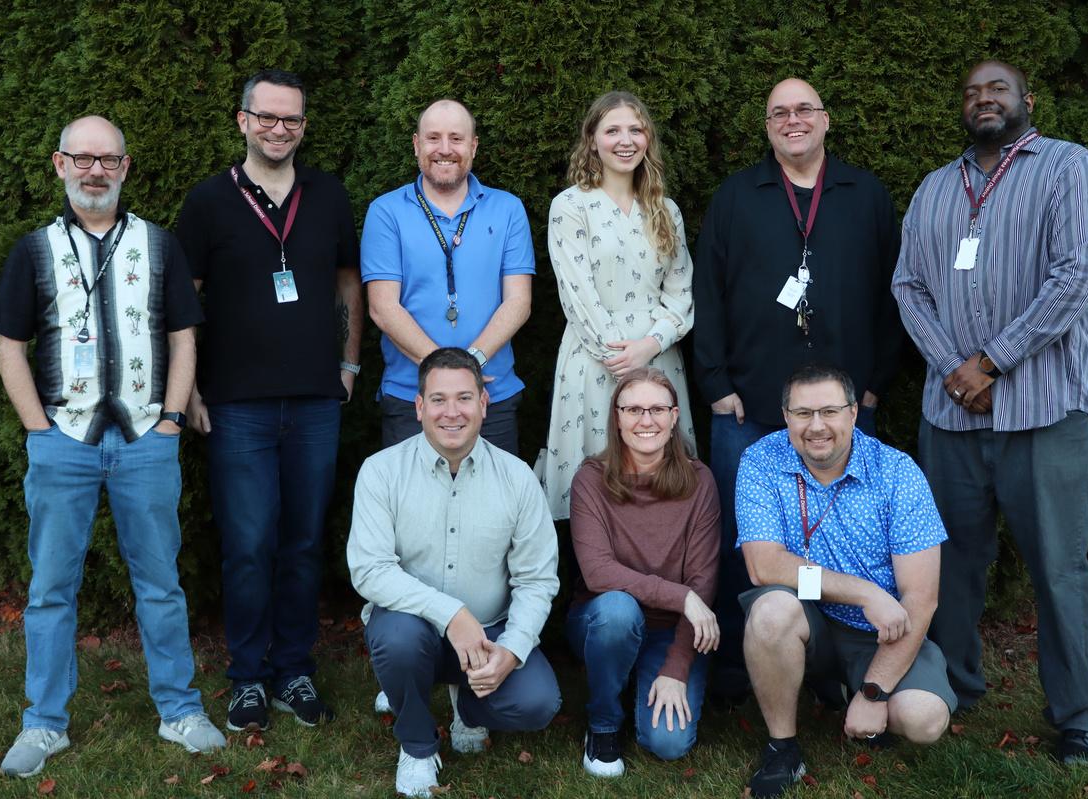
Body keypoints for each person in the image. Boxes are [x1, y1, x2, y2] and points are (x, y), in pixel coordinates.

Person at [892, 59, 1088, 766]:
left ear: (1027, 100)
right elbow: (907, 287)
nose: (982, 99)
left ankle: (1079, 714)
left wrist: (991, 361)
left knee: (1058, 568)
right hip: (952, 417)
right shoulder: (935, 188)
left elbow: (1081, 273)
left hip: (1044, 411)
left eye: (996, 89)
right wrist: (956, 372)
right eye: (971, 92)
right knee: (949, 565)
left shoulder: (1069, 168)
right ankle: (950, 687)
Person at [0, 115, 225, 777]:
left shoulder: (159, 245)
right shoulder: (34, 250)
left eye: (109, 160)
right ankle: (43, 722)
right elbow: (10, 348)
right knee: (50, 590)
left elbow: (183, 337)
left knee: (160, 585)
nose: (96, 171)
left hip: (145, 439)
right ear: (60, 164)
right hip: (62, 441)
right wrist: (38, 430)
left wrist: (171, 420)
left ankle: (179, 708)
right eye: (83, 158)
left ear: (125, 168)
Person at [693, 77, 905, 700]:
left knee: (842, 537)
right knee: (743, 542)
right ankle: (740, 664)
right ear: (767, 126)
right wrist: (715, 384)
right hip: (749, 406)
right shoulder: (737, 196)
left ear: (825, 119)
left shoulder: (866, 195)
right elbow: (707, 292)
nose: (793, 120)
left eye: (804, 109)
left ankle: (829, 666)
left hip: (842, 411)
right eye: (779, 112)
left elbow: (894, 294)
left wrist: (875, 385)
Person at [176, 69, 362, 731]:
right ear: (243, 121)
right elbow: (183, 301)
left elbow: (348, 282)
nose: (279, 129)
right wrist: (188, 387)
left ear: (303, 127)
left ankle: (293, 669)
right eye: (267, 117)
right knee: (249, 545)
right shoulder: (208, 201)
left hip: (315, 401)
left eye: (291, 119)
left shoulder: (328, 194)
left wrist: (348, 363)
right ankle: (248, 676)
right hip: (237, 405)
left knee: (304, 542)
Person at [348, 348, 561, 797]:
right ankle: (417, 745)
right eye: (439, 399)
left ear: (483, 403)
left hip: (489, 633)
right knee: (397, 640)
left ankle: (468, 703)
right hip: (412, 629)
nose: (452, 412)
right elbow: (370, 570)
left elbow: (536, 580)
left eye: (464, 398)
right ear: (419, 406)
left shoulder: (518, 478)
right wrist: (452, 614)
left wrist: (513, 650)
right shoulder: (381, 472)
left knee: (538, 702)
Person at [736, 364, 953, 798]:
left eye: (830, 411)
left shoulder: (897, 472)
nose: (816, 426)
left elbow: (921, 597)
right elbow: (764, 566)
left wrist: (874, 693)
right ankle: (782, 748)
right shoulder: (762, 461)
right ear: (786, 416)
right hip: (807, 618)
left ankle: (854, 692)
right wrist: (863, 591)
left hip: (880, 631)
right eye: (803, 413)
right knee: (772, 610)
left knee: (923, 719)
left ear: (853, 413)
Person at [537, 91, 696, 520]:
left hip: (658, 356)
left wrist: (650, 346)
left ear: (648, 139)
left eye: (635, 129)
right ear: (592, 140)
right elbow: (577, 293)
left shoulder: (666, 210)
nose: (625, 140)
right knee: (597, 478)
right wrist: (620, 357)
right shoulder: (571, 206)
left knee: (660, 481)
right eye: (612, 131)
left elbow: (680, 293)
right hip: (596, 360)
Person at [567, 367, 719, 776]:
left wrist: (677, 666)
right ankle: (603, 724)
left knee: (669, 743)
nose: (645, 420)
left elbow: (702, 581)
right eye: (633, 409)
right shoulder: (590, 480)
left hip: (671, 628)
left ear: (674, 417)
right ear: (616, 418)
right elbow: (598, 573)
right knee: (618, 611)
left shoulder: (700, 481)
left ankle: (642, 677)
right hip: (603, 621)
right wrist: (682, 596)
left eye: (657, 410)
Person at [361, 99, 534, 455]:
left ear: (473, 146)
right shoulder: (386, 212)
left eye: (456, 138)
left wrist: (472, 365)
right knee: (413, 494)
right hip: (412, 398)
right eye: (433, 138)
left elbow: (518, 301)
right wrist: (448, 374)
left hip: (492, 397)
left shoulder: (508, 209)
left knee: (495, 494)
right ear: (416, 145)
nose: (444, 149)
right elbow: (382, 307)